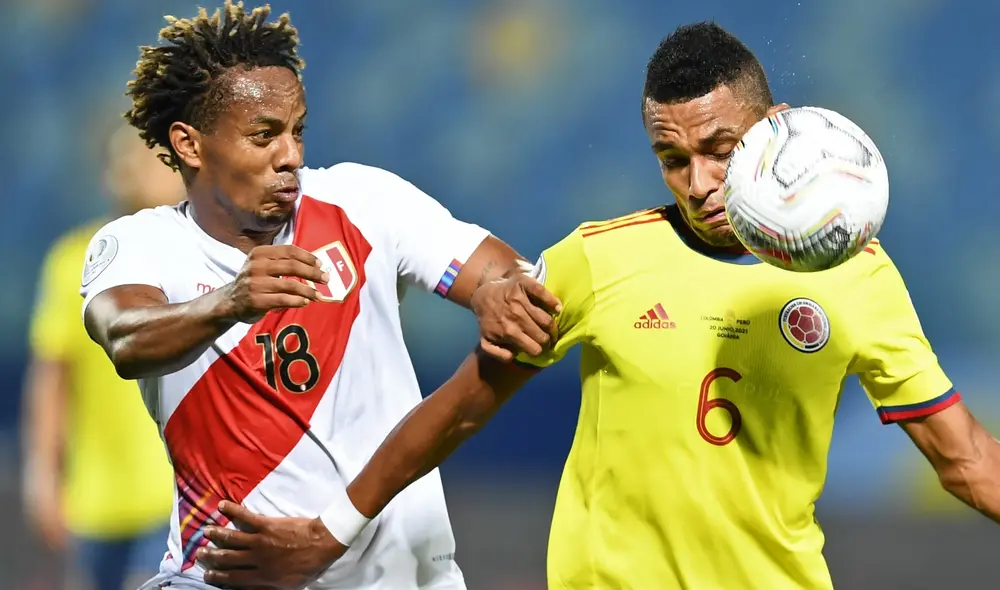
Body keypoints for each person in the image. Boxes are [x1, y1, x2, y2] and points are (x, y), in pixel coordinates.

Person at [199, 22, 1000, 590]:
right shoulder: (598, 258)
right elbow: (461, 409)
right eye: (672, 158)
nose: (700, 183)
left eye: (720, 151)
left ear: (775, 127)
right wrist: (331, 530)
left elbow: (964, 460)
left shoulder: (856, 275)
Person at [79, 2, 556, 589]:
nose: (292, 157)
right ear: (190, 144)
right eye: (264, 136)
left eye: (297, 130)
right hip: (221, 579)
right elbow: (127, 339)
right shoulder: (139, 243)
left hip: (396, 581)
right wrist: (228, 301)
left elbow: (518, 287)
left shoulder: (363, 202)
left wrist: (503, 292)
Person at [23, 124, 183, 590]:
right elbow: (52, 376)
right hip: (93, 499)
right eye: (129, 161)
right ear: (110, 175)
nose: (142, 173)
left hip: (172, 493)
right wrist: (43, 472)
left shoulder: (194, 259)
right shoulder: (73, 260)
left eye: (155, 162)